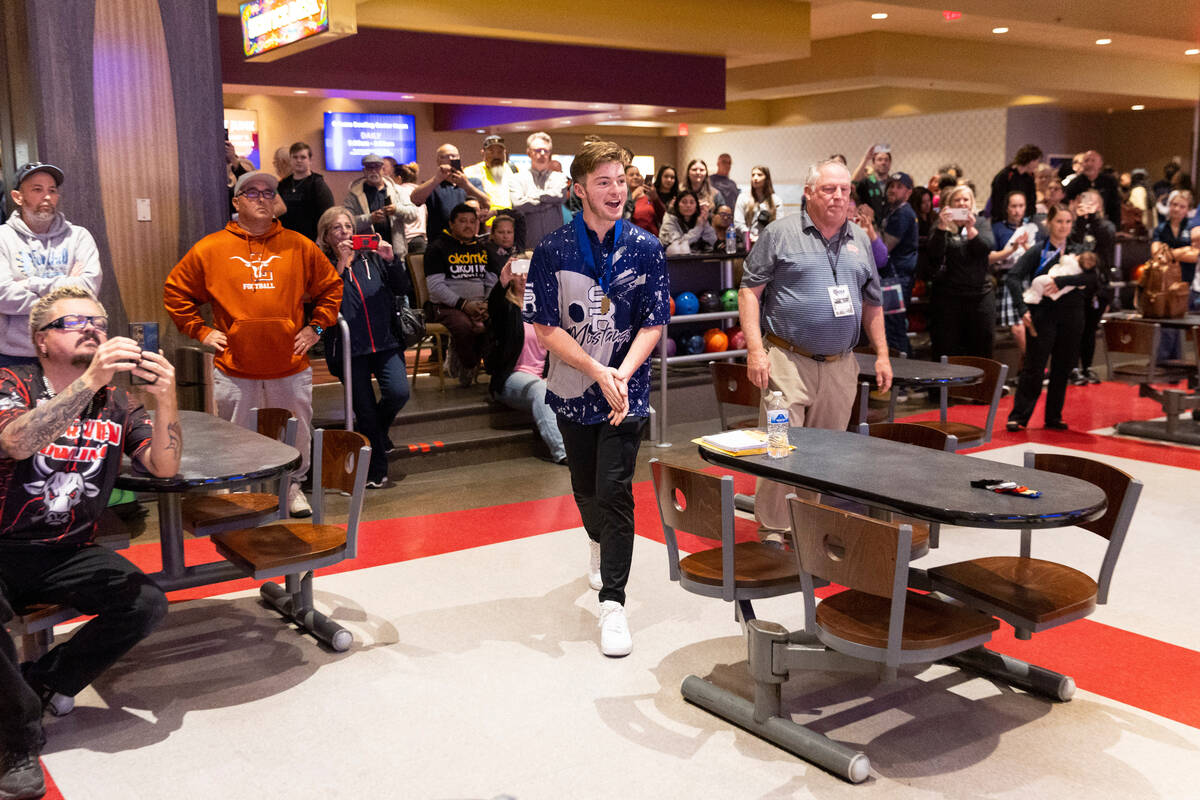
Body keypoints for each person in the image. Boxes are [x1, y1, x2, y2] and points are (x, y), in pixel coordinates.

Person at [0, 286, 178, 800]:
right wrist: (90, 379)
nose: (91, 328)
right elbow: (15, 441)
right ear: (40, 341)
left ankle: (35, 685)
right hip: (2, 545)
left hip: (69, 549)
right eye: (73, 321)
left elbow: (164, 465)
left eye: (98, 320)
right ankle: (17, 739)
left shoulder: (117, 404)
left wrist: (165, 397)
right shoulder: (11, 383)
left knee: (145, 603)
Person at [524, 140, 670, 658]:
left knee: (615, 491)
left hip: (624, 394)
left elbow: (654, 323)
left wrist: (622, 375)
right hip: (571, 388)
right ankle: (595, 539)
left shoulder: (647, 247)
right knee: (585, 488)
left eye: (622, 181)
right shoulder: (552, 250)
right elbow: (545, 328)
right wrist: (595, 370)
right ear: (579, 190)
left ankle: (614, 603)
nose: (616, 191)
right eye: (604, 182)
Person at [163, 170, 342, 518]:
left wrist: (316, 329)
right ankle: (241, 494)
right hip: (234, 366)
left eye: (268, 193)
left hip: (289, 363)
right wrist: (200, 331)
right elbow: (175, 292)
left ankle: (292, 487)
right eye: (252, 192)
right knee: (235, 436)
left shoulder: (299, 245)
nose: (261, 198)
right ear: (236, 201)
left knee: (297, 432)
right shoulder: (210, 248)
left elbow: (331, 288)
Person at [737, 158, 892, 548]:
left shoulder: (859, 239)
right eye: (828, 189)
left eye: (844, 189)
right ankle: (774, 527)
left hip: (841, 366)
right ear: (808, 193)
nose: (838, 196)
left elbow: (873, 304)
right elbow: (748, 293)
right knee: (778, 447)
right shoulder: (780, 234)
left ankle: (805, 524)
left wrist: (884, 355)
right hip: (786, 361)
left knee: (825, 455)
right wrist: (755, 350)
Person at [315, 207, 410, 488]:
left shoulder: (373, 256)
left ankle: (376, 436)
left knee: (398, 392)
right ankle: (376, 471)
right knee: (365, 411)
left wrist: (392, 260)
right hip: (347, 348)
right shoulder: (321, 262)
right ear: (326, 235)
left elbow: (402, 287)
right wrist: (341, 264)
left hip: (385, 341)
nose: (344, 231)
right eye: (336, 227)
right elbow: (323, 298)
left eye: (347, 226)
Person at [0, 163, 102, 368]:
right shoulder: (3, 238)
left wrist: (29, 284)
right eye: (37, 189)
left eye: (52, 190)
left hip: (70, 352)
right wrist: (68, 287)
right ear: (17, 197)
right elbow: (3, 295)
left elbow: (88, 291)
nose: (46, 196)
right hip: (15, 355)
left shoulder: (78, 236)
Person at [1005, 205, 1097, 431]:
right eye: (1059, 222)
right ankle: (1019, 416)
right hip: (1043, 314)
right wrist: (1021, 308)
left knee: (1063, 367)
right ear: (1049, 223)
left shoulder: (1079, 250)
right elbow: (1013, 277)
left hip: (1073, 313)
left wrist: (1063, 283)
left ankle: (1053, 417)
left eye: (1068, 222)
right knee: (1034, 367)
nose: (1063, 226)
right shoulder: (1038, 250)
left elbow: (1094, 279)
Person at [485, 257, 567, 465]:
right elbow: (494, 306)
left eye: (528, 273)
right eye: (518, 273)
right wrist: (502, 280)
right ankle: (562, 452)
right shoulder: (507, 308)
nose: (523, 278)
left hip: (545, 376)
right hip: (512, 377)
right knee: (541, 390)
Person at [423, 203, 503, 386]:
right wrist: (464, 304)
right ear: (451, 224)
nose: (469, 226)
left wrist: (487, 303)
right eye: (463, 221)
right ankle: (469, 365)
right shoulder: (437, 248)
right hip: (446, 306)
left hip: (480, 304)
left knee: (501, 320)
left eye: (473, 222)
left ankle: (497, 372)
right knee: (464, 325)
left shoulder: (483, 248)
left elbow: (492, 280)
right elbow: (435, 287)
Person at [926, 184, 996, 360]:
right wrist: (942, 227)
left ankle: (979, 387)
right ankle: (945, 388)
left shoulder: (980, 223)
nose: (962, 203)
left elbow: (985, 249)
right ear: (950, 204)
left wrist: (971, 229)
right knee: (947, 347)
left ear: (972, 203)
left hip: (979, 295)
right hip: (949, 297)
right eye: (958, 200)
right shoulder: (941, 224)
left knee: (981, 346)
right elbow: (933, 254)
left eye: (966, 199)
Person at [1067, 190, 1116, 384]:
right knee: (1075, 328)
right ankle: (1072, 368)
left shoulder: (1106, 226)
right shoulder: (1073, 225)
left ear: (1100, 206)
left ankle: (1087, 367)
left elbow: (1106, 242)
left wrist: (1093, 218)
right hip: (1077, 287)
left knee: (1089, 330)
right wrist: (1079, 220)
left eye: (1092, 202)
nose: (1087, 205)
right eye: (1083, 201)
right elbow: (1073, 244)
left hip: (1098, 287)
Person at [1150, 190, 1199, 361]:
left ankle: (1168, 362)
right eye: (1174, 205)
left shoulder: (1191, 228)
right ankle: (1168, 363)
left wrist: (1170, 253)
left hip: (1186, 283)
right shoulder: (1161, 228)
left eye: (1182, 206)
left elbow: (1194, 255)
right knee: (1168, 322)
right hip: (1164, 284)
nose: (1177, 209)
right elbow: (1156, 254)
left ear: (1187, 209)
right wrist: (1182, 251)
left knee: (1178, 322)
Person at [408, 143, 492, 243]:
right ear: (438, 161)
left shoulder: (473, 182)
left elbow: (487, 204)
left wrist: (466, 185)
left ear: (459, 158)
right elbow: (415, 199)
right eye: (445, 157)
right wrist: (437, 179)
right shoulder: (433, 185)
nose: (450, 159)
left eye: (454, 156)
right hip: (441, 244)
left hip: (469, 244)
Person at [990, 191, 1038, 361]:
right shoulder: (997, 228)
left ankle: (1023, 368)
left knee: (1030, 323)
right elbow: (990, 258)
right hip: (1008, 277)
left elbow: (1036, 258)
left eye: (1021, 206)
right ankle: (1031, 360)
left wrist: (1025, 247)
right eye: (1014, 206)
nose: (1017, 210)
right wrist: (1012, 248)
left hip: (1028, 279)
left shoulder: (1031, 229)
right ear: (1007, 208)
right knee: (1017, 326)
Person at [343, 153, 418, 261]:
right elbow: (347, 223)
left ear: (383, 170)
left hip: (395, 253)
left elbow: (413, 214)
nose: (373, 171)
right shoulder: (353, 195)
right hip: (366, 255)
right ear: (364, 171)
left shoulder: (398, 191)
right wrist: (370, 218)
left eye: (377, 167)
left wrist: (397, 209)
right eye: (369, 168)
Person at [878, 172, 920, 356]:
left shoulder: (903, 213)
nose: (893, 190)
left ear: (908, 192)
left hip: (897, 279)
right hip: (895, 277)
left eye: (899, 187)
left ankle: (903, 378)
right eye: (891, 186)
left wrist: (869, 227)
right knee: (894, 326)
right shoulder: (895, 211)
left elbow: (884, 247)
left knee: (894, 328)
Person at [510, 132, 570, 251]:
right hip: (528, 246)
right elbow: (518, 204)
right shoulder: (517, 178)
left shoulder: (560, 177)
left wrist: (532, 197)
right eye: (538, 150)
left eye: (546, 151)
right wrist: (550, 202)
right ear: (529, 153)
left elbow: (560, 196)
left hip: (556, 246)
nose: (542, 154)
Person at [276, 141, 334, 241]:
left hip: (311, 240)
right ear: (290, 160)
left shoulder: (317, 183)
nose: (299, 160)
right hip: (286, 240)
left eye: (303, 157)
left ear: (310, 160)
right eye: (295, 157)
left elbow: (328, 215)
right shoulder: (282, 184)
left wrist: (321, 238)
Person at [464, 134, 519, 232]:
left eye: (500, 152)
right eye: (492, 152)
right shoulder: (472, 172)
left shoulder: (513, 170)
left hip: (511, 226)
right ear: (483, 153)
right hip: (486, 227)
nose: (496, 156)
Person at [1063, 150, 1122, 226]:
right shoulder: (1074, 183)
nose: (1089, 164)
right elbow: (1067, 203)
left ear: (1100, 164)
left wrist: (1116, 228)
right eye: (1086, 161)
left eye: (1093, 161)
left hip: (1103, 222)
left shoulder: (1109, 181)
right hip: (1080, 222)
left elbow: (1115, 206)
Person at [988, 144, 1042, 224]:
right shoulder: (1005, 176)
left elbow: (1031, 201)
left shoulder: (1029, 178)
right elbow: (998, 202)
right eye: (1037, 161)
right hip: (1003, 221)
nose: (1037, 165)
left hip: (1024, 221)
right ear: (1030, 160)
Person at [734, 165, 783, 245]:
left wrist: (761, 237)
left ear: (767, 178)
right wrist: (749, 236)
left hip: (768, 244)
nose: (755, 178)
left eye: (759, 175)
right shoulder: (743, 197)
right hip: (748, 244)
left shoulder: (776, 200)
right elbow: (738, 222)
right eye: (753, 175)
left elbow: (779, 225)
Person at [395, 162, 429, 255]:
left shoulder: (398, 191)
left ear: (398, 178)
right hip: (421, 240)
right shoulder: (421, 192)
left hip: (406, 239)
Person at [852, 143, 892, 220]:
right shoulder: (866, 182)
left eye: (886, 160)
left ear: (890, 163)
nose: (883, 163)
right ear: (873, 163)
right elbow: (853, 183)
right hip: (869, 224)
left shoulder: (893, 184)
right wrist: (866, 159)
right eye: (880, 160)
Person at [625, 165, 659, 234]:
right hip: (633, 238)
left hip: (652, 238)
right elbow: (624, 217)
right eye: (631, 175)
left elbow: (662, 217)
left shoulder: (648, 195)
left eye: (638, 175)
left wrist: (656, 199)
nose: (635, 177)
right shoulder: (621, 197)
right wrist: (633, 196)